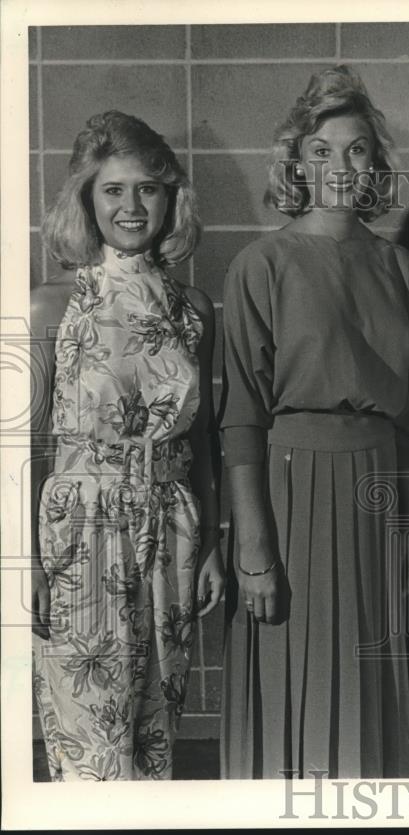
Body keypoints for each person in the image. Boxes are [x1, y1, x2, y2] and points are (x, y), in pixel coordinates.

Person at [218, 66, 409, 779]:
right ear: (297, 161)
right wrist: (254, 550)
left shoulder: (404, 270)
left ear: (375, 162)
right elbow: (241, 418)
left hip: (377, 493)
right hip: (289, 495)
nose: (340, 166)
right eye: (322, 149)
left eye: (358, 149)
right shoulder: (261, 265)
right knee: (292, 682)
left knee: (369, 690)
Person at [30, 111, 223, 780]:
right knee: (90, 752)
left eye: (148, 188)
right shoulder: (52, 305)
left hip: (170, 531)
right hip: (79, 533)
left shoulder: (193, 309)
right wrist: (26, 563)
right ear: (87, 198)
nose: (132, 206)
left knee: (154, 744)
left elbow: (204, 443)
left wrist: (213, 548)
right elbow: (25, 448)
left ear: (171, 197)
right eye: (113, 190)